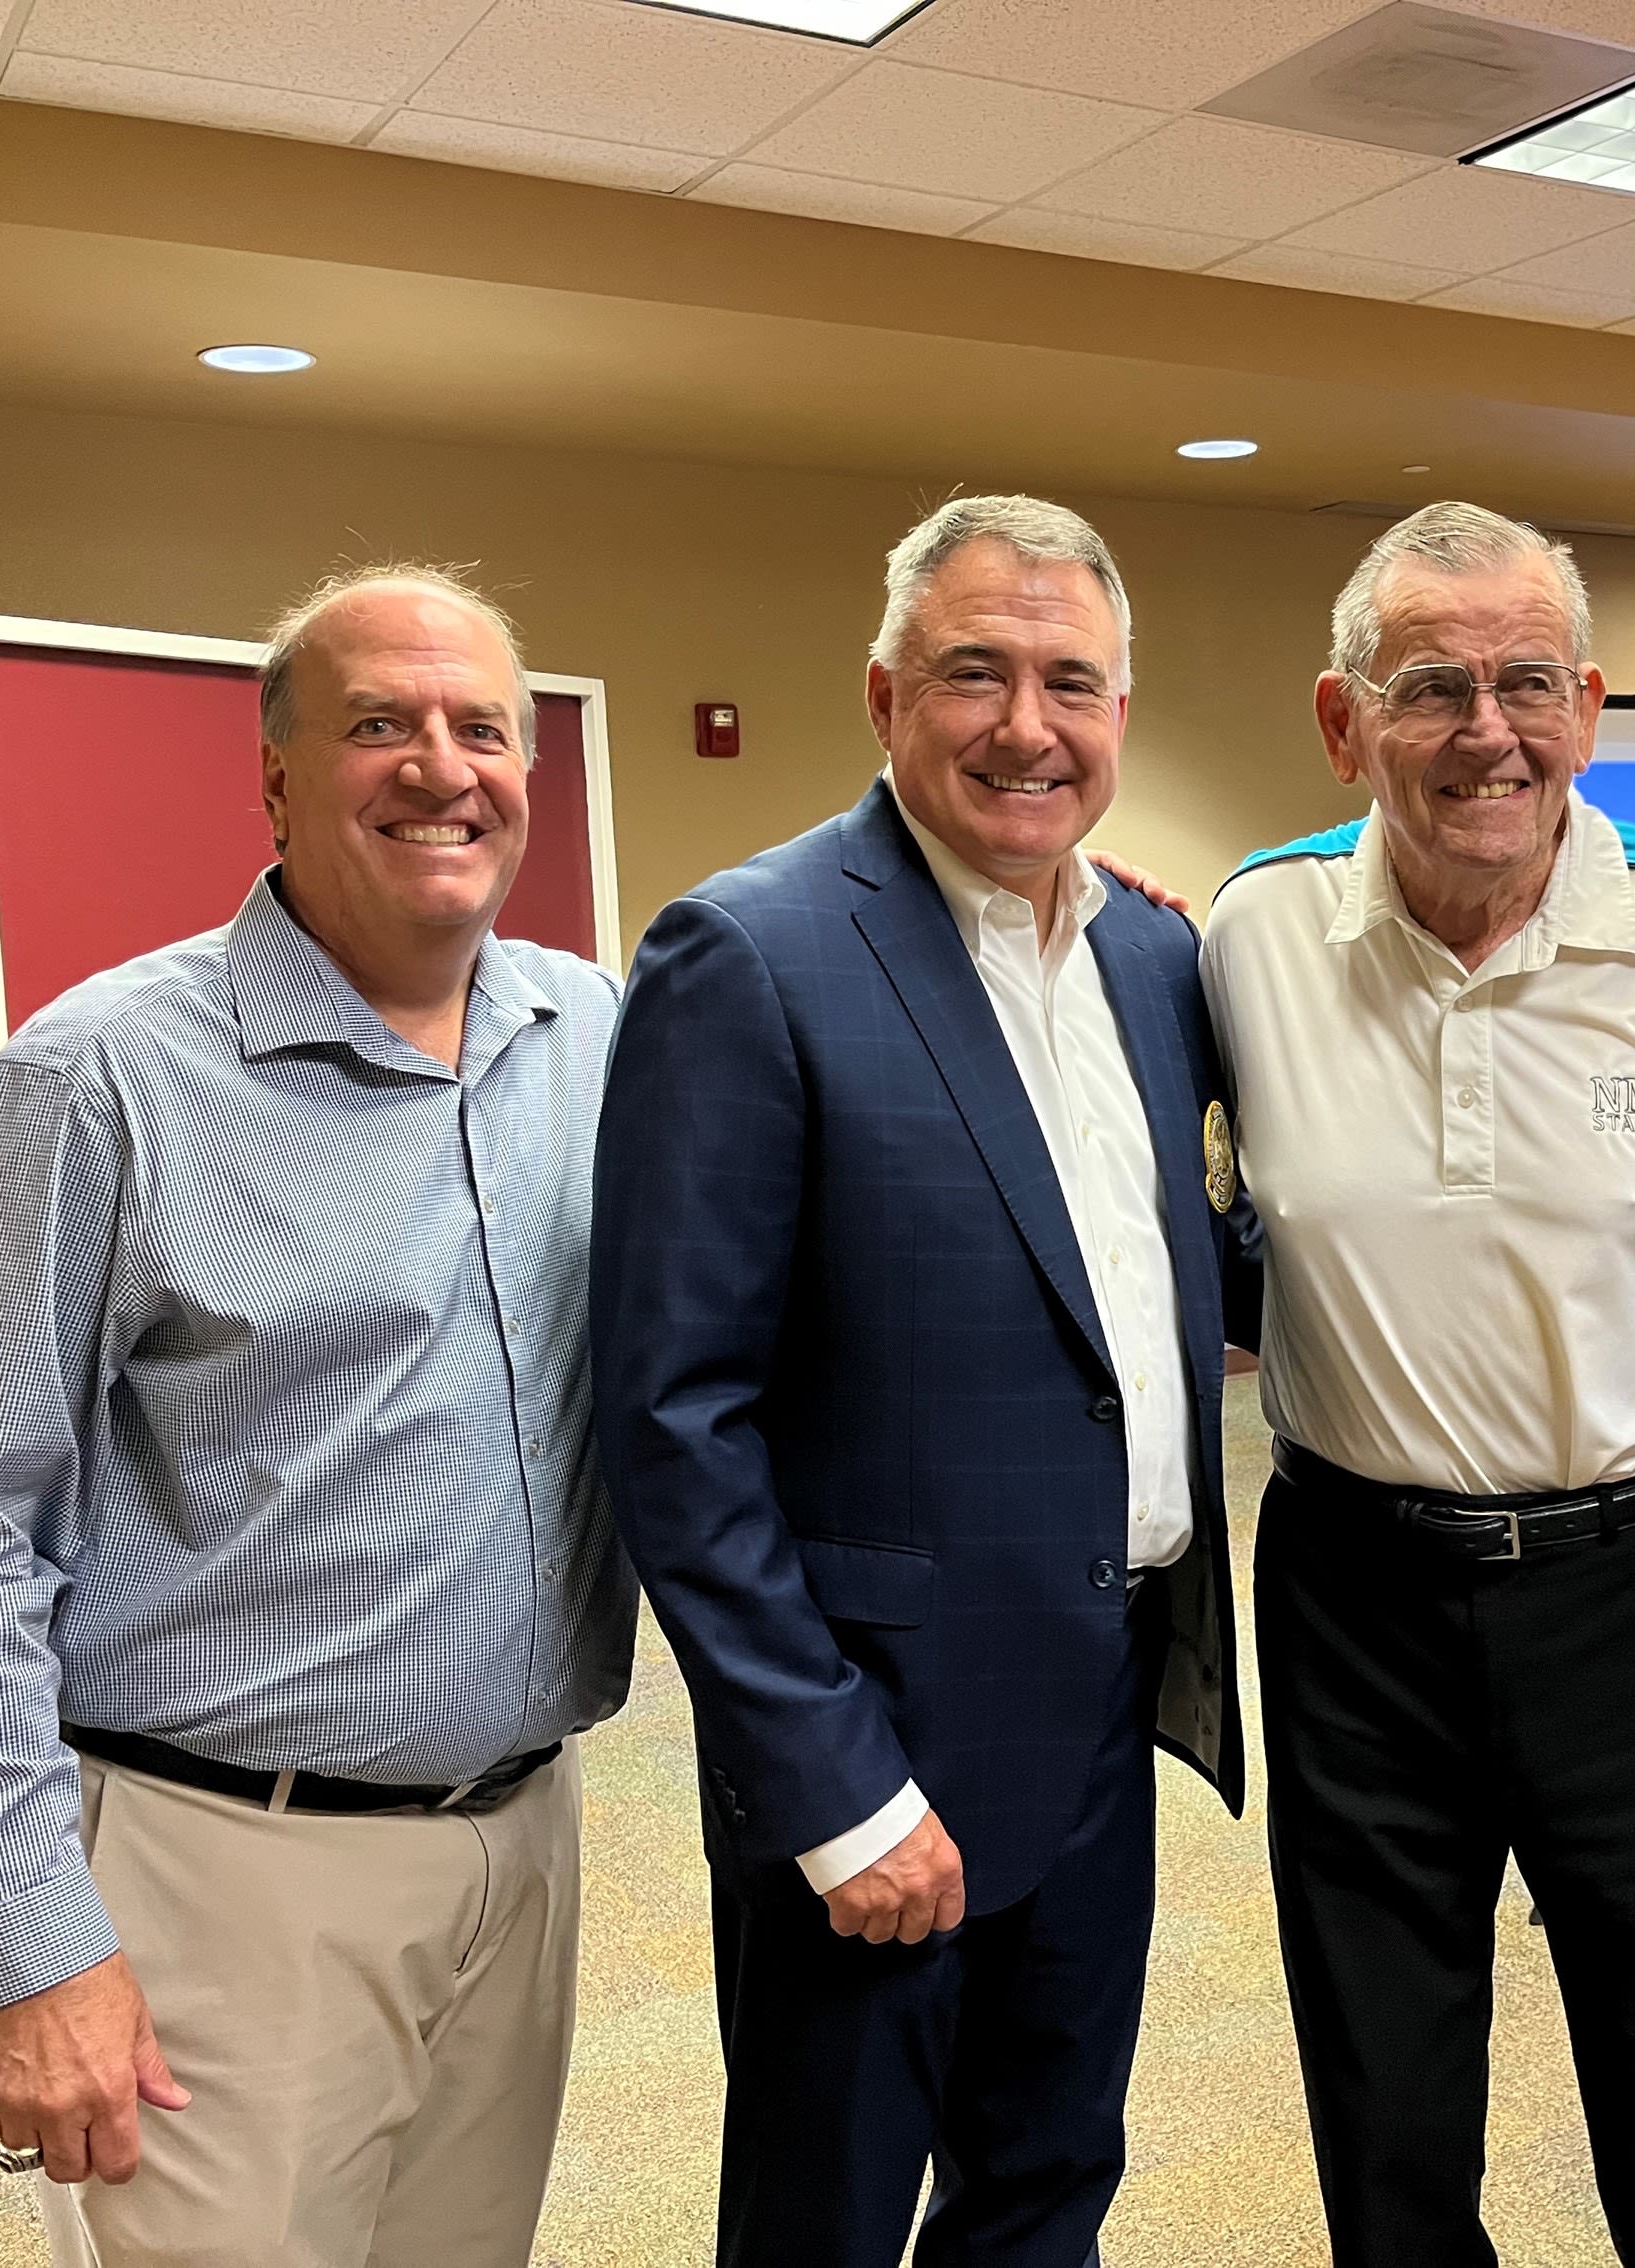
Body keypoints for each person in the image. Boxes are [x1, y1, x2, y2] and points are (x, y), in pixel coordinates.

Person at [0, 564, 634, 2268]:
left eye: (481, 727)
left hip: (523, 1841)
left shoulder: (592, 1034)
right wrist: (34, 1951)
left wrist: (1066, 915)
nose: (442, 766)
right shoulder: (101, 1080)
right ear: (273, 778)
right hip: (226, 1872)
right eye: (379, 725)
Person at [590, 494, 1249, 2268]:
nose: (1027, 725)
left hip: (1103, 1711)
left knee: (1047, 2193)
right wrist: (830, 1788)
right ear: (886, 695)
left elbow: (1157, 1284)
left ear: (1119, 712)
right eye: (976, 671)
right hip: (879, 1749)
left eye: (1071, 682)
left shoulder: (1152, 957)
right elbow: (675, 1418)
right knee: (827, 2219)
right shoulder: (751, 953)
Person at [1201, 501, 1635, 2267]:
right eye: (1433, 687)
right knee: (1384, 2096)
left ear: (1592, 705)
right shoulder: (1251, 933)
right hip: (1354, 1598)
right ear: (1341, 719)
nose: (1489, 732)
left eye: (1530, 682)